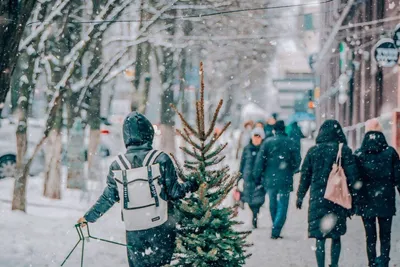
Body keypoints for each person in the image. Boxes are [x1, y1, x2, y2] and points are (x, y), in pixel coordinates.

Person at [77, 112, 198, 267]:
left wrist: (88, 218)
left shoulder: (118, 165)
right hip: (161, 227)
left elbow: (108, 198)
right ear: (149, 133)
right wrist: (194, 184)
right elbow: (175, 193)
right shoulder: (161, 159)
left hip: (134, 230)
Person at [296, 120, 358, 267]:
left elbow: (305, 177)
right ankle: (334, 265)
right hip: (338, 198)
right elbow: (353, 178)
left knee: (320, 237)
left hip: (318, 199)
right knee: (336, 237)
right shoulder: (344, 151)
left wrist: (300, 196)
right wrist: (354, 201)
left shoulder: (313, 151)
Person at [354, 119, 400, 267]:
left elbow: (355, 179)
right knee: (385, 235)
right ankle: (384, 261)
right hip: (386, 200)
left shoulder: (359, 153)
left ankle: (372, 263)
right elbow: (398, 178)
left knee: (370, 236)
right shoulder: (390, 152)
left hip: (366, 201)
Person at [253, 120, 301, 239]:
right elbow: (297, 160)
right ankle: (276, 228)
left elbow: (260, 161)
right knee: (283, 205)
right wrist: (292, 169)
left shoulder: (267, 142)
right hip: (285, 178)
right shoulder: (290, 142)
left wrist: (258, 176)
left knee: (273, 203)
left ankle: (275, 225)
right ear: (284, 129)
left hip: (270, 179)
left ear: (274, 130)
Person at [239, 127, 266, 228]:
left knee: (258, 200)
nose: (256, 139)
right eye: (255, 136)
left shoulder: (264, 149)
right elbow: (242, 163)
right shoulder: (247, 148)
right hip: (248, 177)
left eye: (259, 137)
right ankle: (254, 215)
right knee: (250, 199)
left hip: (259, 179)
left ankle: (255, 214)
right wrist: (239, 176)